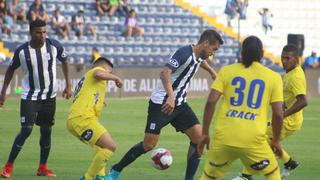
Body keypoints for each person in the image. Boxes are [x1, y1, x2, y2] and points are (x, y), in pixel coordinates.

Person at [107, 29, 223, 180]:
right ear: (205, 43)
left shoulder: (198, 55)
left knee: (198, 138)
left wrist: (212, 72)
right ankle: (115, 170)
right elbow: (164, 73)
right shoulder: (183, 53)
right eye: (213, 49)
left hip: (179, 104)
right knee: (149, 145)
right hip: (162, 103)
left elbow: (200, 61)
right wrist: (171, 96)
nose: (212, 53)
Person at [198, 36, 284, 180]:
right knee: (272, 173)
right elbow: (278, 114)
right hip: (253, 140)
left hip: (224, 138)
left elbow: (211, 101)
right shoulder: (273, 77)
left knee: (208, 177)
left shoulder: (227, 71)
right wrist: (275, 140)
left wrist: (205, 133)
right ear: (262, 54)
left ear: (242, 52)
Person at [0, 19, 72, 178]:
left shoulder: (54, 46)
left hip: (49, 97)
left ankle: (42, 168)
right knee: (26, 130)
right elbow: (10, 70)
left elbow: (65, 61)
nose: (43, 35)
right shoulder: (22, 51)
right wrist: (3, 91)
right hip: (30, 97)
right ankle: (8, 166)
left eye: (44, 32)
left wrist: (68, 84)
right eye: (39, 32)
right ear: (31, 33)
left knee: (46, 131)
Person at [235, 44, 308, 179]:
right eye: (282, 57)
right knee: (265, 141)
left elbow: (303, 101)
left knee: (257, 140)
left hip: (288, 121)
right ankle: (289, 162)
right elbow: (287, 97)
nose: (284, 61)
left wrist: (282, 115)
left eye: (288, 58)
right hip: (285, 118)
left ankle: (246, 175)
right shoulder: (291, 72)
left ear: (296, 59)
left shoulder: (296, 77)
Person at [67, 57, 123, 180]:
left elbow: (89, 93)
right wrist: (116, 78)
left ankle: (100, 175)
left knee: (101, 146)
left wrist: (100, 101)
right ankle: (88, 177)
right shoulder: (97, 71)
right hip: (83, 119)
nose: (109, 75)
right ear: (103, 67)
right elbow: (99, 73)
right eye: (109, 72)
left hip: (75, 120)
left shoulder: (89, 80)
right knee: (110, 146)